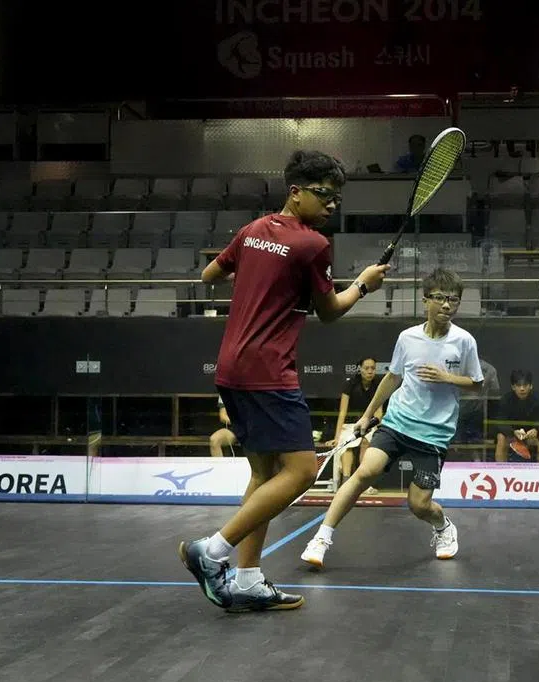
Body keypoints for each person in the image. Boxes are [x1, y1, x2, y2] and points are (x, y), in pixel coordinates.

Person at [177, 150, 390, 613]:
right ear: (296, 192)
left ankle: (250, 579)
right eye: (324, 195)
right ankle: (211, 552)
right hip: (269, 370)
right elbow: (330, 311)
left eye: (337, 198)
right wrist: (365, 284)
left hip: (231, 366)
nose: (332, 205)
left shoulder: (252, 230)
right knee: (301, 471)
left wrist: (260, 280)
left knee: (263, 473)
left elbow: (209, 275)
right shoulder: (313, 245)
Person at [300, 269, 484, 569]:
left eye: (453, 300)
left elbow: (477, 384)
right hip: (398, 422)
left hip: (434, 434)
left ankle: (443, 526)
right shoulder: (407, 338)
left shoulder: (464, 342)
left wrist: (447, 377)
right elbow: (392, 379)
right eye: (440, 298)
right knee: (364, 472)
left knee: (418, 504)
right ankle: (321, 538)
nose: (447, 305)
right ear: (426, 301)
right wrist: (368, 415)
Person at [326, 357, 383, 487]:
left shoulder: (379, 385)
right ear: (360, 369)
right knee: (348, 445)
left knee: (365, 442)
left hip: (370, 424)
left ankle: (363, 483)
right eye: (366, 368)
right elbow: (342, 412)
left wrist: (371, 426)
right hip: (350, 425)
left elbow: (379, 414)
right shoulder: (349, 384)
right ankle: (347, 481)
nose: (370, 371)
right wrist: (337, 437)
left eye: (373, 368)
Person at [495, 369, 539, 462]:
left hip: (531, 433)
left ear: (531, 386)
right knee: (501, 437)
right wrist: (513, 432)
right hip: (512, 433)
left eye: (525, 385)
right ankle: (501, 472)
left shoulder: (538, 398)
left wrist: (536, 429)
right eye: (518, 385)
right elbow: (500, 422)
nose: (522, 389)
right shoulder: (505, 399)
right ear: (513, 387)